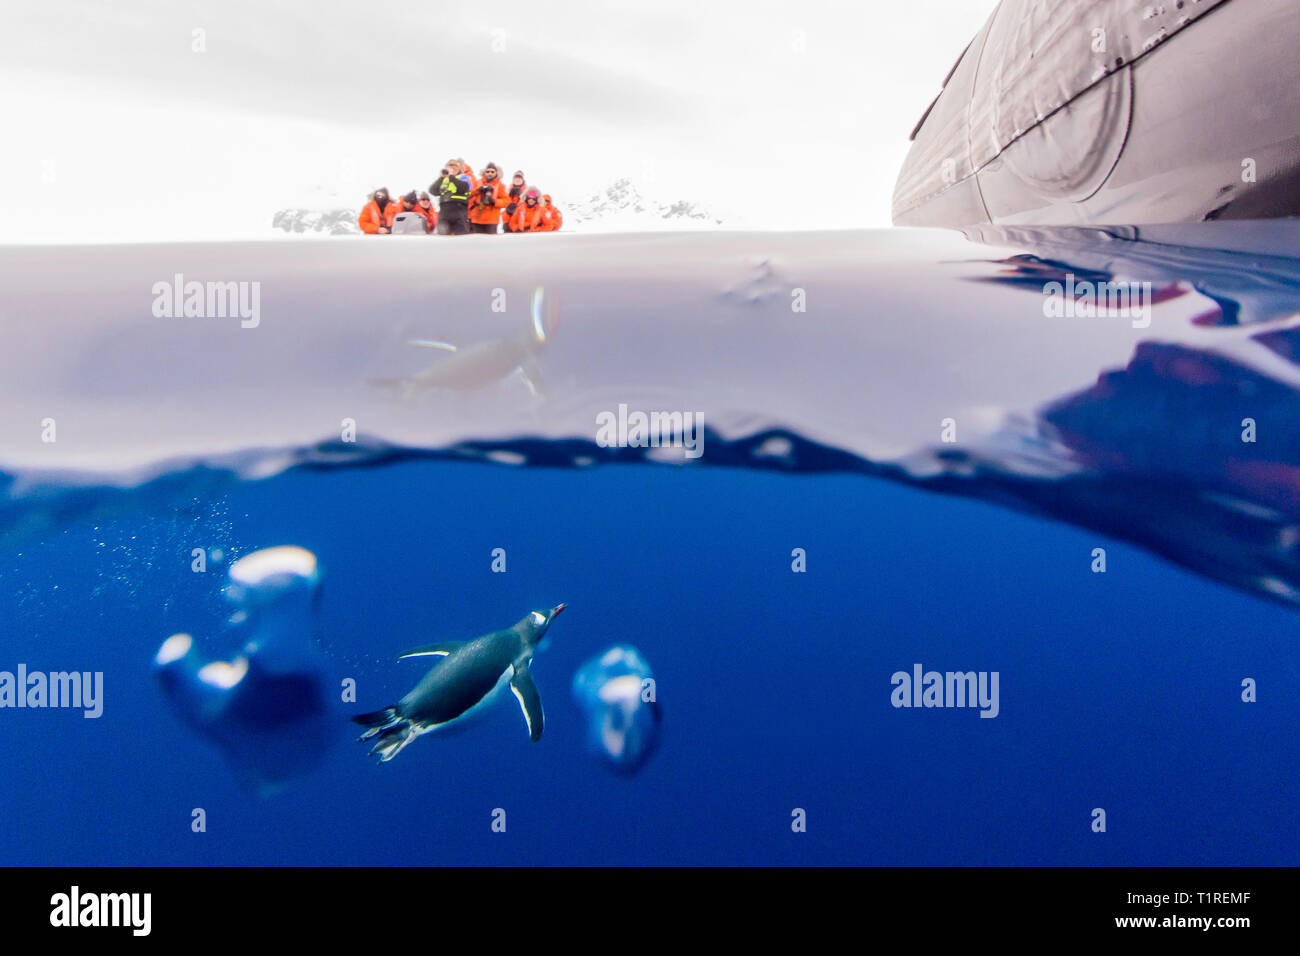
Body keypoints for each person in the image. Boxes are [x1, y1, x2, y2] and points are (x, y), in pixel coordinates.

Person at [430, 160, 473, 235]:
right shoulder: (444, 180)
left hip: (459, 210)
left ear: (459, 168)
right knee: (443, 235)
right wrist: (441, 178)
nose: (451, 167)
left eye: (454, 165)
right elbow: (433, 190)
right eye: (449, 165)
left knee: (461, 236)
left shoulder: (464, 177)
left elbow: (463, 188)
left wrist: (451, 177)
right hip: (444, 211)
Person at [468, 162, 510, 234]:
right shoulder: (477, 183)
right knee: (475, 243)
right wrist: (478, 190)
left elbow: (507, 201)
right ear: (484, 173)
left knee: (490, 243)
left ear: (496, 173)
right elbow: (468, 194)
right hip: (476, 218)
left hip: (491, 220)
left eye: (492, 172)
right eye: (487, 171)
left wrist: (494, 201)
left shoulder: (500, 186)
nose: (490, 173)